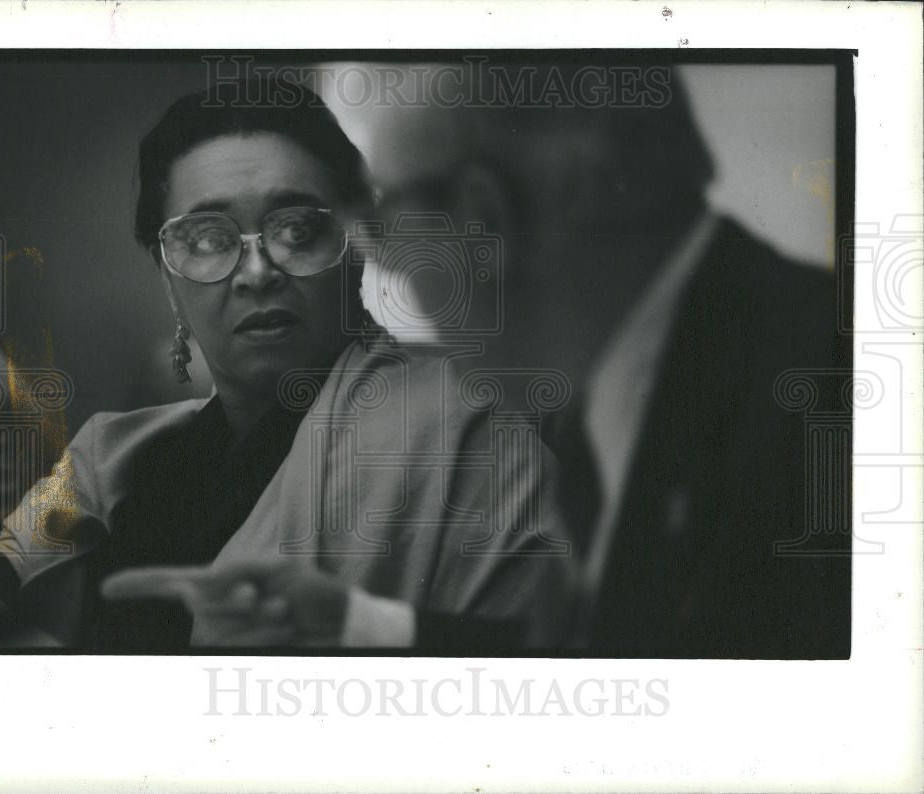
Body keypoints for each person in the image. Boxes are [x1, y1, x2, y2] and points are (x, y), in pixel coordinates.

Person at [0, 77, 575, 652]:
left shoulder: (468, 423)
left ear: (356, 243)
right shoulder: (106, 455)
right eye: (209, 238)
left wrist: (362, 628)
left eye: (296, 228)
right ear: (168, 275)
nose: (258, 271)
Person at [361, 62, 850, 658]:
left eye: (382, 222)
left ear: (483, 218)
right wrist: (357, 622)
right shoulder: (647, 392)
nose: (384, 264)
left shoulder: (820, 417)